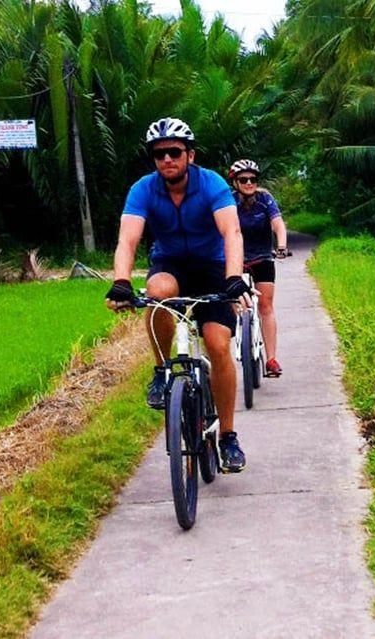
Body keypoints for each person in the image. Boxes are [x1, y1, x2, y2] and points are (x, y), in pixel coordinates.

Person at [104, 117, 251, 473]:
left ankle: (228, 436)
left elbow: (231, 232)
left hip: (213, 268)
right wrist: (121, 282)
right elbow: (128, 239)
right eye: (159, 154)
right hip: (170, 264)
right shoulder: (143, 189)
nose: (167, 159)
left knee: (217, 344)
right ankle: (161, 369)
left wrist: (233, 278)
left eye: (174, 152)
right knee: (157, 292)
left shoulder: (212, 183)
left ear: (190, 154)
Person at [228, 158, 288, 378]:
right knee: (236, 304)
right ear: (234, 182)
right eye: (243, 179)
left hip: (262, 258)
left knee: (265, 306)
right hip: (236, 260)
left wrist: (281, 245)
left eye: (253, 179)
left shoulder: (265, 199)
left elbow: (278, 224)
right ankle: (241, 339)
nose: (249, 183)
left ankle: (271, 359)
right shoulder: (228, 202)